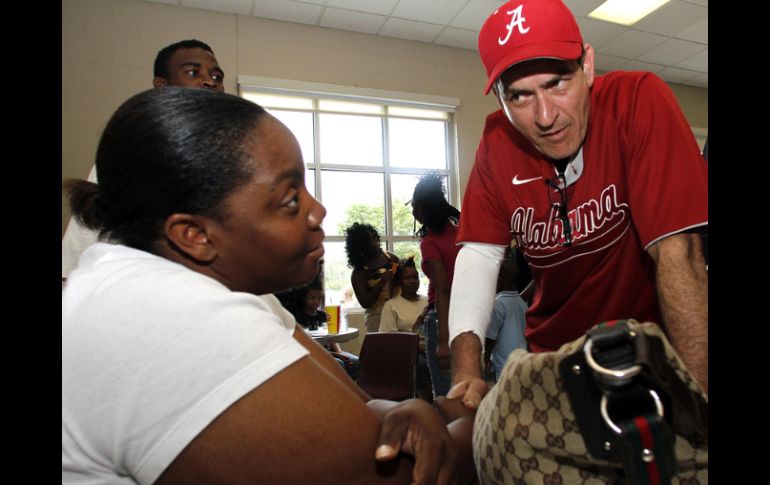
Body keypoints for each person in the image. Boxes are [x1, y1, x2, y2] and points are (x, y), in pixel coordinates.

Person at [62, 87, 477, 484]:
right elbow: (396, 477)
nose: (318, 210)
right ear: (194, 235)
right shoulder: (158, 316)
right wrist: (489, 423)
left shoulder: (230, 290)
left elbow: (359, 408)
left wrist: (401, 411)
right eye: (290, 199)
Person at [447, 0, 708, 410]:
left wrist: (700, 407)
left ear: (587, 66)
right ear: (499, 98)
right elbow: (479, 256)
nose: (546, 115)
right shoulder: (497, 142)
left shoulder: (638, 100)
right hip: (553, 362)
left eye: (557, 83)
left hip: (646, 356)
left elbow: (679, 253)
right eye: (520, 96)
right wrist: (466, 375)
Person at [61, 39, 225, 282]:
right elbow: (84, 238)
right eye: (193, 72)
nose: (209, 81)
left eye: (217, 77)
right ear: (161, 85)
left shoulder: (226, 153)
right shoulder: (133, 149)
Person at [410, 174, 461, 399]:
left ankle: (449, 434)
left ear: (424, 208)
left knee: (443, 395)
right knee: (464, 389)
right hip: (464, 315)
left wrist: (442, 340)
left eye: (414, 207)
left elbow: (442, 289)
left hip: (442, 320)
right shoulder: (460, 231)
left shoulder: (430, 241)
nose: (413, 212)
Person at [379, 258, 431, 400]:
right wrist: (419, 347)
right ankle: (427, 403)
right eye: (407, 278)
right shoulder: (391, 305)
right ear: (399, 282)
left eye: (415, 277)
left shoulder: (428, 302)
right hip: (408, 351)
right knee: (422, 364)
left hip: (432, 345)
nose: (412, 281)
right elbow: (389, 339)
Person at [292, 285, 360, 380]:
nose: (316, 301)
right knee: (338, 363)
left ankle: (346, 387)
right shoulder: (299, 318)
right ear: (304, 298)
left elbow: (331, 337)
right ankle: (337, 389)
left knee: (356, 362)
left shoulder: (323, 316)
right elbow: (307, 344)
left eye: (319, 298)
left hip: (331, 351)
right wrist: (336, 355)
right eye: (312, 298)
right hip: (313, 353)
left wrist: (339, 351)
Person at [344, 223, 400, 333]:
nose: (376, 240)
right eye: (371, 239)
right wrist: (382, 282)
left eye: (375, 236)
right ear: (362, 245)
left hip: (400, 311)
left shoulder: (390, 257)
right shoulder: (359, 272)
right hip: (378, 317)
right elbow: (365, 303)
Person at [483, 248, 527, 382]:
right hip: (523, 362)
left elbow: (490, 338)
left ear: (499, 280)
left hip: (505, 367)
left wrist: (485, 359)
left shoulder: (497, 305)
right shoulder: (522, 303)